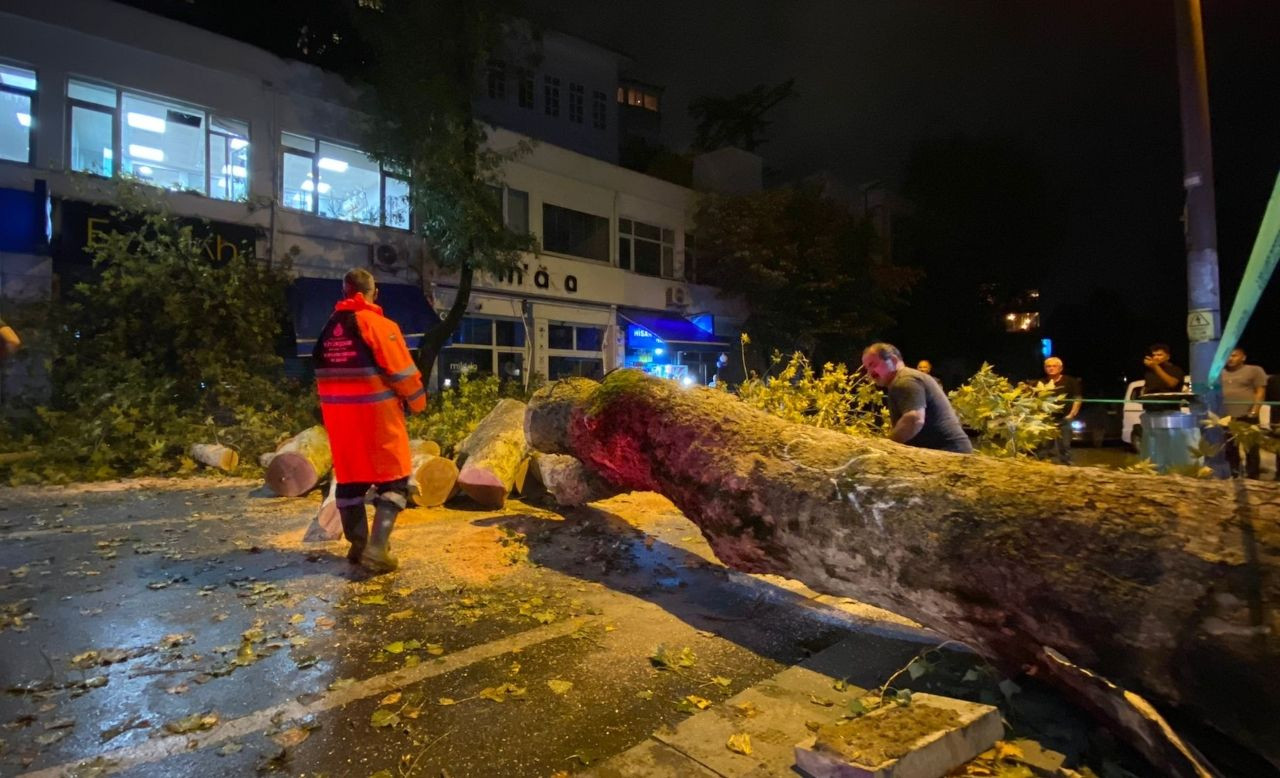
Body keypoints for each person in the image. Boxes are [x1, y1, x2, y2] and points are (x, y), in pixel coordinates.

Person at [313, 268, 427, 573]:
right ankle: (377, 550)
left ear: (345, 293)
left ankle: (359, 546)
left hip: (340, 422)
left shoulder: (327, 330)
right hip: (378, 421)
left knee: (349, 483)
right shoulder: (379, 325)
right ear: (368, 294)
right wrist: (418, 402)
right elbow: (402, 371)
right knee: (394, 482)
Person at [862, 342, 972, 453]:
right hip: (948, 452)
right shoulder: (906, 378)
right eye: (867, 368)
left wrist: (885, 447)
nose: (870, 373)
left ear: (893, 360)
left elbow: (914, 419)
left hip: (948, 454)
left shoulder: (904, 381)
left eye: (873, 365)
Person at [1218, 347, 1266, 479]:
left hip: (1247, 416)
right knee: (1230, 449)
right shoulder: (1220, 373)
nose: (1230, 359)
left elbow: (1260, 391)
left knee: (1251, 448)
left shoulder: (1254, 370)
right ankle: (1234, 475)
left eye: (1234, 356)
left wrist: (1255, 410)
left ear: (1243, 357)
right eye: (1228, 356)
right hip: (1227, 417)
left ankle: (1253, 477)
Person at [1039, 357, 1082, 465]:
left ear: (1060, 368)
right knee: (1044, 446)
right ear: (1045, 368)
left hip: (1065, 419)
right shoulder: (1041, 382)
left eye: (1054, 366)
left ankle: (1067, 468)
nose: (1051, 368)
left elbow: (1078, 398)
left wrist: (1072, 414)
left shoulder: (1071, 381)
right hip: (1047, 419)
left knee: (1065, 446)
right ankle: (1042, 467)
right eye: (1048, 366)